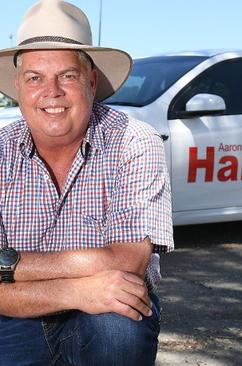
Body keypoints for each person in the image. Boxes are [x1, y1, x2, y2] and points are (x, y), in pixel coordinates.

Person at [0, 0, 173, 365]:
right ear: (18, 87)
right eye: (35, 77)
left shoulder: (134, 141)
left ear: (91, 81)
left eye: (67, 75)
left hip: (103, 307)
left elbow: (127, 263)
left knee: (119, 323)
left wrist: (10, 266)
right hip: (18, 312)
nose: (52, 91)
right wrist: (77, 289)